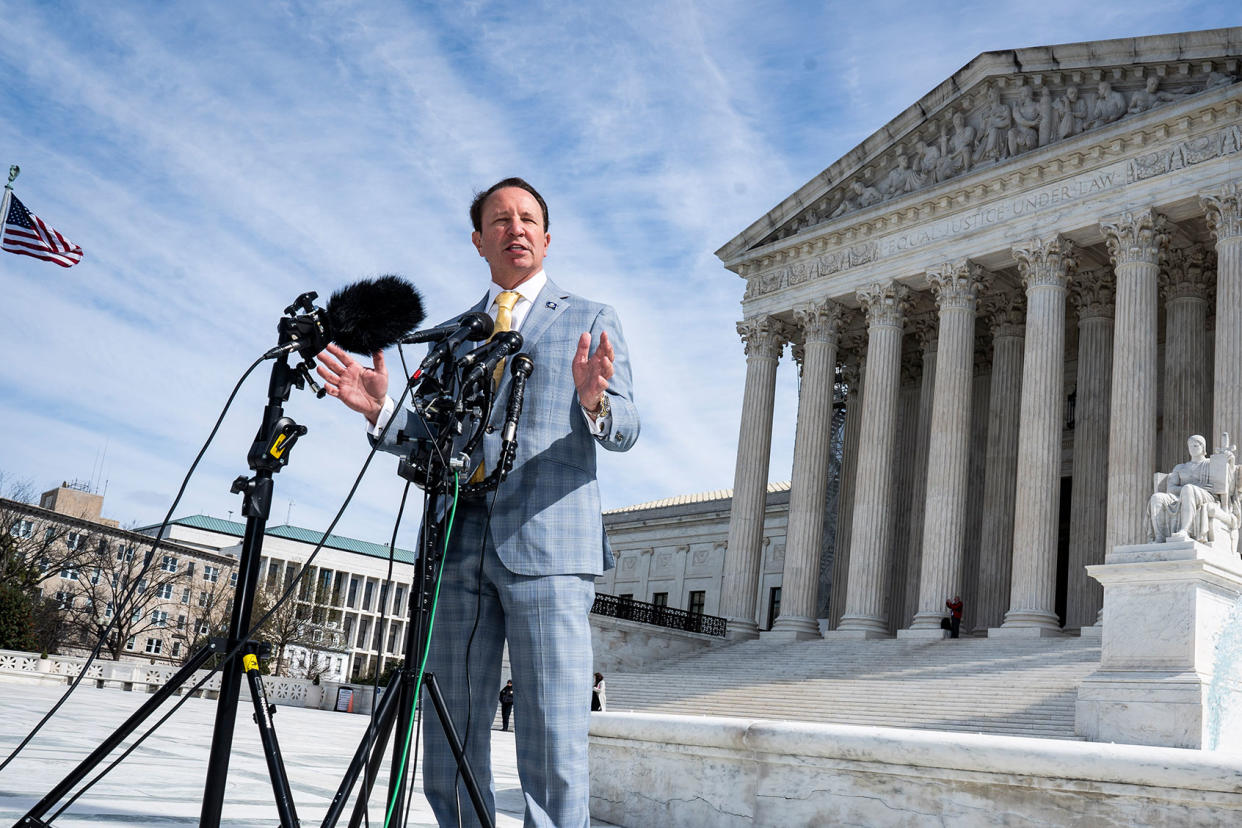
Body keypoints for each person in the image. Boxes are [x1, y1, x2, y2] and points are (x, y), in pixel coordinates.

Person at [316, 177, 640, 827]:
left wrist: (593, 399)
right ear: (478, 239)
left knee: (551, 739)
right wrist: (383, 410)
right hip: (455, 546)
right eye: (500, 219)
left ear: (547, 237)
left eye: (527, 219)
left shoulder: (590, 319)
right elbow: (429, 440)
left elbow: (626, 429)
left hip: (550, 549)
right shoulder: (452, 335)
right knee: (447, 735)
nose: (514, 228)